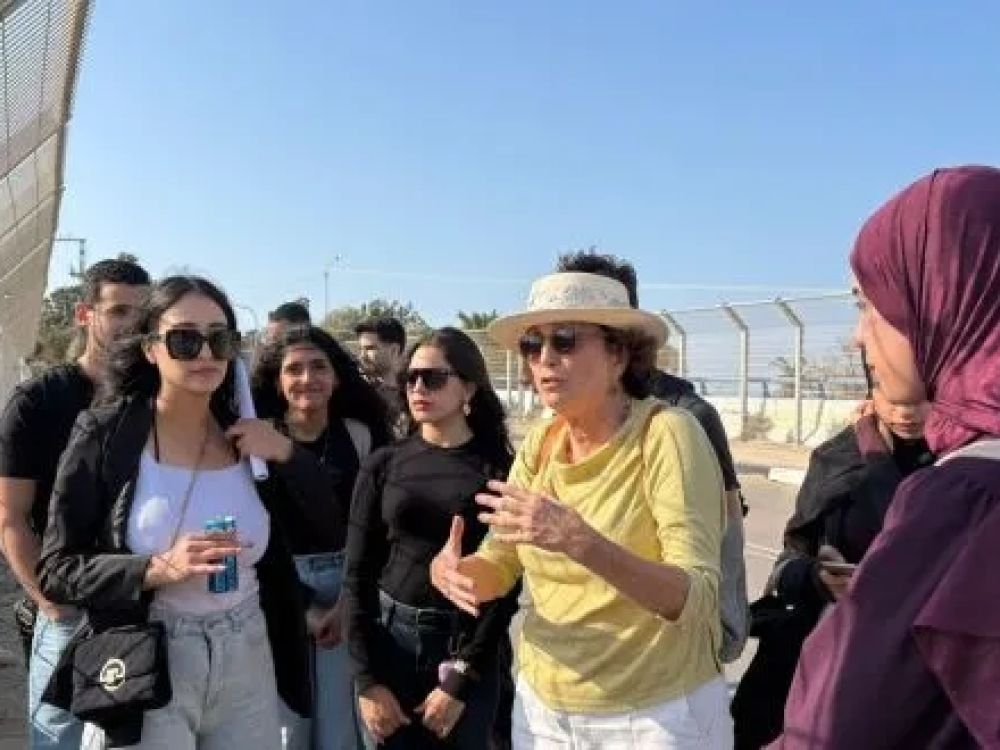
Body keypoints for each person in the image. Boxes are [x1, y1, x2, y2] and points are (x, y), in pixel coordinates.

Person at [431, 271, 731, 749]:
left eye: (565, 340)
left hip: (654, 714)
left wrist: (580, 541)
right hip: (544, 710)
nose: (545, 359)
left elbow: (695, 598)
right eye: (533, 345)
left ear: (618, 355)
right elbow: (501, 561)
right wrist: (457, 573)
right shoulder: (541, 445)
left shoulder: (667, 435)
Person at [37, 276, 338, 748]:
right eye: (184, 339)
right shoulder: (107, 435)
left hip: (248, 650)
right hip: (150, 652)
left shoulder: (250, 439)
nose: (205, 354)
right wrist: (156, 568)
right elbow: (57, 569)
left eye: (220, 339)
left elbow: (331, 519)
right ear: (150, 349)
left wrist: (287, 453)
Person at [774, 166, 1000, 748]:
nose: (859, 336)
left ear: (943, 300)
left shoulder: (966, 493)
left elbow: (835, 727)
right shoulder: (841, 461)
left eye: (870, 302)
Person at [555, 250, 748, 660]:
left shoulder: (684, 417)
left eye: (568, 336)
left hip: (663, 661)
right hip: (587, 655)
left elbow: (727, 525)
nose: (550, 355)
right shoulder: (565, 416)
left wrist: (725, 622)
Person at [343, 327, 520, 749]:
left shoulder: (502, 470)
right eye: (411, 378)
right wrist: (367, 680)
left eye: (434, 378)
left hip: (466, 649)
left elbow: (507, 589)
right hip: (392, 646)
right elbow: (357, 575)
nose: (418, 388)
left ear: (468, 388)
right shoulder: (384, 464)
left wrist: (461, 679)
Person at [732, 383, 933, 749]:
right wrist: (818, 578)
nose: (907, 413)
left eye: (920, 400)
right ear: (873, 392)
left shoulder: (959, 467)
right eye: (894, 399)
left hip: (917, 659)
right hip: (827, 649)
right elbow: (790, 560)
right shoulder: (837, 457)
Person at [0, 258, 150, 749]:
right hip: (70, 610)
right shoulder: (39, 402)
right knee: (58, 739)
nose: (133, 324)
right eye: (119, 311)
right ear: (85, 314)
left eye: (143, 313)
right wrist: (50, 603)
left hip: (143, 602)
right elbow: (11, 517)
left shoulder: (158, 399)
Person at [252, 325, 391, 750]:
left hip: (350, 588)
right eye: (294, 369)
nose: (307, 378)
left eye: (318, 367)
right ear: (277, 381)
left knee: (342, 728)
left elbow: (376, 527)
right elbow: (255, 538)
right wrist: (301, 608)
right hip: (278, 591)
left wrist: (349, 601)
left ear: (336, 377)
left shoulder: (360, 436)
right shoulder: (258, 439)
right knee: (287, 729)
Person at [354, 317, 407, 436]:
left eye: (370, 348)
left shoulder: (414, 392)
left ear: (394, 350)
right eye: (361, 349)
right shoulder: (356, 393)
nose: (362, 356)